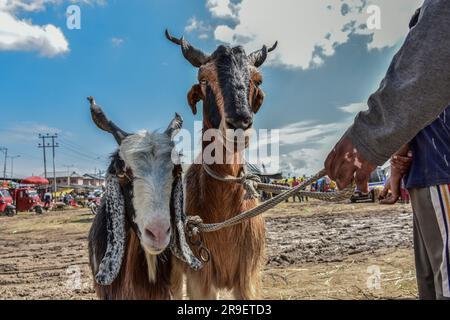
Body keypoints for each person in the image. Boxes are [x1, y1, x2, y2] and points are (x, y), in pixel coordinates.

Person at [326, 4, 450, 299]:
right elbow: (415, 114)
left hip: (439, 170)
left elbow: (424, 75)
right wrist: (395, 173)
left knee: (442, 279)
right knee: (435, 281)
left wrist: (368, 139)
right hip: (429, 174)